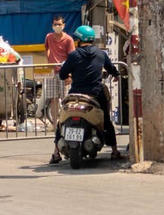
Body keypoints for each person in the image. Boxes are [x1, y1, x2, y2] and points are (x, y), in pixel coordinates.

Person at [52, 25, 122, 163]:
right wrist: (116, 75)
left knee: (62, 122)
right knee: (106, 121)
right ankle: (114, 151)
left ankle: (55, 153)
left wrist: (70, 75)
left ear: (79, 39)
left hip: (76, 94)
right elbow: (112, 69)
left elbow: (62, 74)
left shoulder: (73, 55)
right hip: (96, 93)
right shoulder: (101, 54)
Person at [42, 15, 76, 124]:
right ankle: (55, 124)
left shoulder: (68, 40)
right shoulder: (49, 37)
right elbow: (46, 48)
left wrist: (70, 75)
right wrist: (49, 60)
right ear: (52, 25)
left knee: (65, 99)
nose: (57, 26)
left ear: (64, 25)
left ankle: (66, 122)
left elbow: (72, 58)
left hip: (64, 72)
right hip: (52, 72)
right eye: (55, 24)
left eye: (59, 24)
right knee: (53, 99)